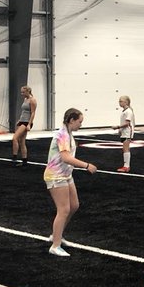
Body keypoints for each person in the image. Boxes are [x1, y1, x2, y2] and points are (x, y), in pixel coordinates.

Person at [43, 107, 97, 256]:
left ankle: (57, 235)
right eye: (79, 122)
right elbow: (66, 158)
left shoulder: (68, 133)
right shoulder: (62, 135)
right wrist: (86, 165)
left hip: (66, 174)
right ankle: (55, 245)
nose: (81, 124)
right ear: (71, 120)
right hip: (56, 175)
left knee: (74, 205)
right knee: (64, 209)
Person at [12, 85, 37, 167]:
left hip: (26, 122)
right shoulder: (25, 99)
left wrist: (29, 124)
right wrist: (19, 120)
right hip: (22, 120)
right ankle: (24, 161)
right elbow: (24, 111)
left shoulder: (32, 100)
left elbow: (33, 113)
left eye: (23, 92)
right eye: (21, 92)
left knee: (15, 138)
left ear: (28, 91)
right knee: (21, 142)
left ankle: (14, 157)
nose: (22, 93)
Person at [116, 95, 135, 172]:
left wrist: (118, 127)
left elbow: (127, 123)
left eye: (121, 101)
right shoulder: (124, 111)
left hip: (128, 132)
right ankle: (126, 165)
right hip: (125, 131)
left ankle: (126, 166)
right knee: (125, 148)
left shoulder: (128, 111)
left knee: (126, 148)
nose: (119, 103)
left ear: (126, 102)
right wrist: (120, 129)